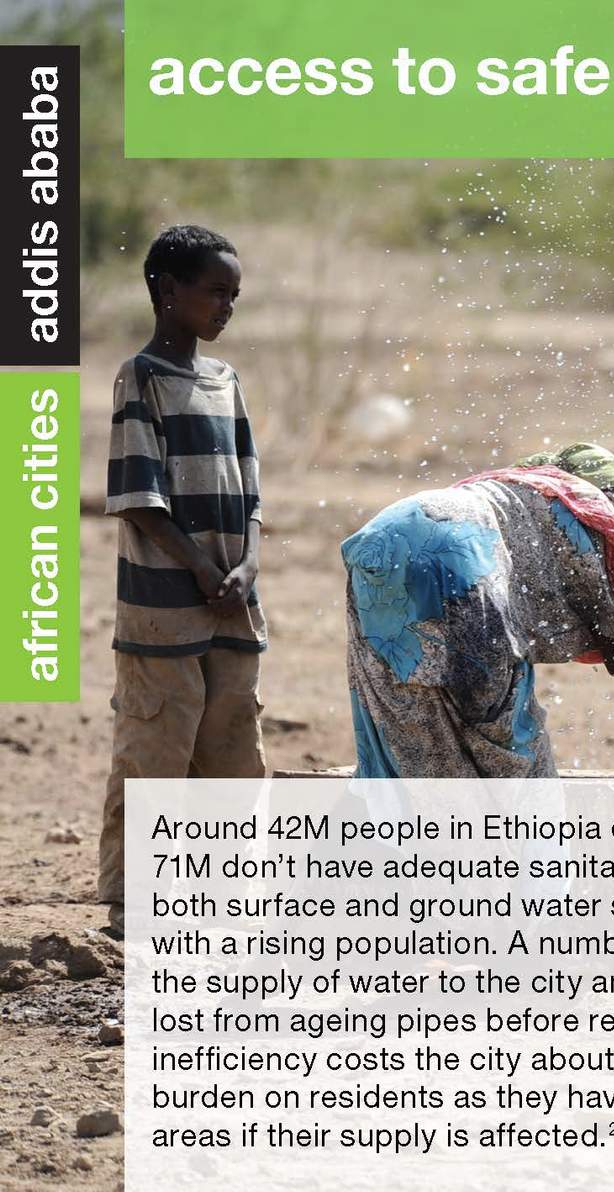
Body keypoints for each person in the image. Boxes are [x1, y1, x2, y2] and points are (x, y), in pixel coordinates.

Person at [342, 443, 614, 780]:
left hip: (383, 545)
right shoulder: (579, 508)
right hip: (462, 567)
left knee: (404, 728)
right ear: (596, 495)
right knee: (512, 765)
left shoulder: (511, 491)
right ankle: (527, 893)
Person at [100, 225, 266, 937]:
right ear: (167, 292)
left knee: (233, 742)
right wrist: (201, 569)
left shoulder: (226, 382)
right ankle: (129, 897)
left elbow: (250, 493)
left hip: (232, 599)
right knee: (157, 745)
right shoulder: (140, 378)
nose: (226, 307)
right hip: (165, 604)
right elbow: (140, 498)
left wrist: (246, 566)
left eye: (234, 295)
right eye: (214, 293)